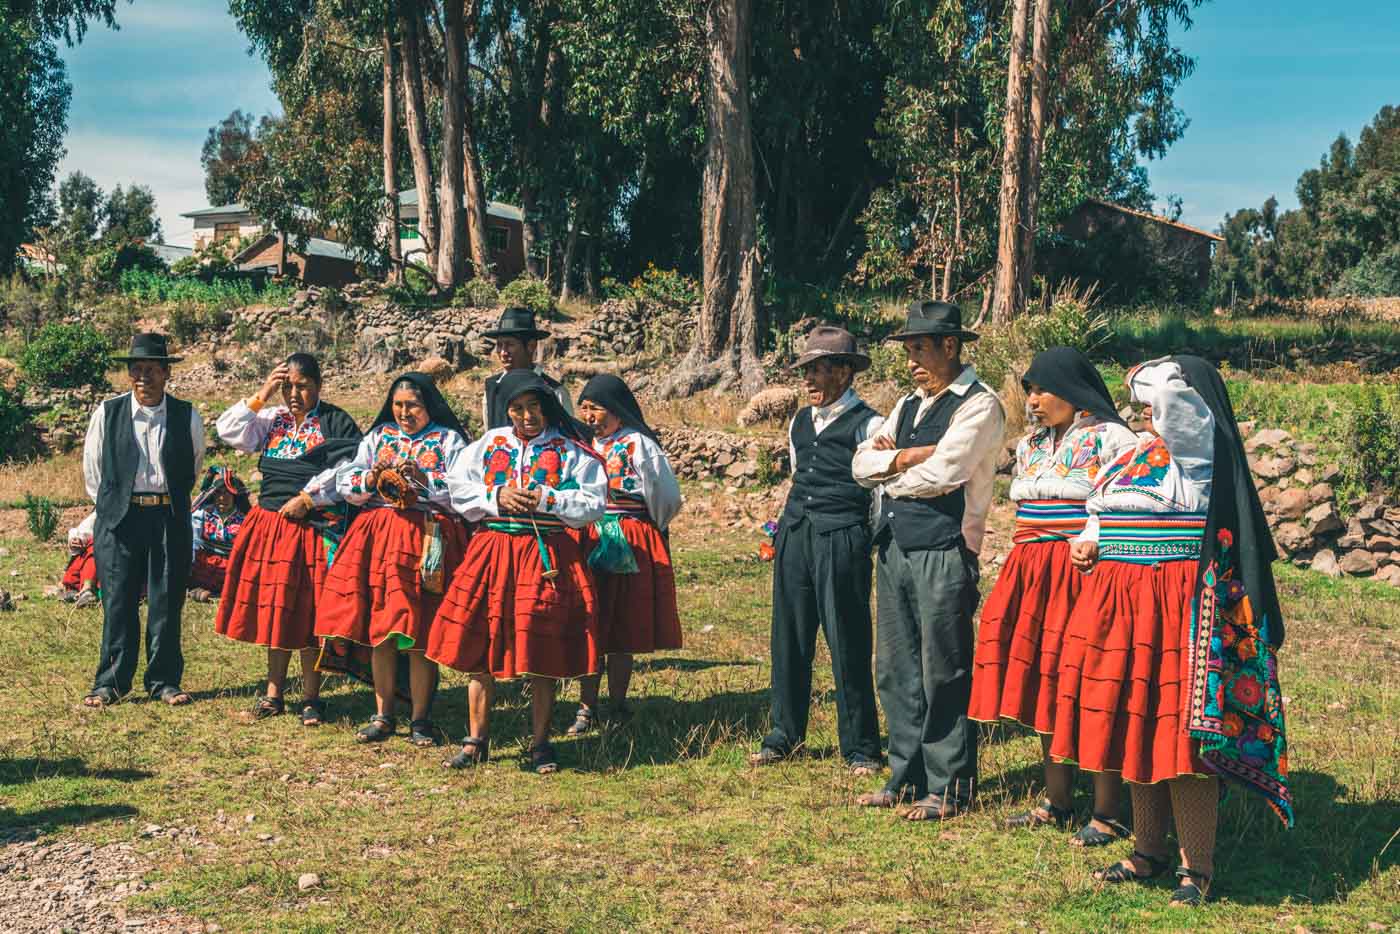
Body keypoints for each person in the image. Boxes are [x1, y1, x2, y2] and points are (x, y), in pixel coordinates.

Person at [1054, 357, 1293, 907]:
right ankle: (1148, 849)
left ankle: (1197, 864)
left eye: (1152, 400)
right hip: (1120, 602)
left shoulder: (1196, 455)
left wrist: (1167, 376)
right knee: (1136, 724)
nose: (1143, 408)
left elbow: (1178, 409)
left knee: (1180, 735)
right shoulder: (1135, 453)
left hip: (1172, 604)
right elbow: (1101, 509)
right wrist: (1092, 538)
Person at [967, 347, 1138, 845]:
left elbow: (1120, 503)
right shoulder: (1031, 444)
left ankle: (1108, 809)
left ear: (1074, 389)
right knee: (1046, 675)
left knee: (1088, 681)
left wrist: (1093, 539)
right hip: (1031, 569)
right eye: (1030, 392)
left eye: (1043, 390)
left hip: (1082, 570)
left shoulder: (1113, 439)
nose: (1034, 401)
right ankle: (1057, 799)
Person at [850, 301, 1005, 820]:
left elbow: (947, 473)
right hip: (896, 546)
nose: (912, 359)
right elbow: (859, 462)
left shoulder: (979, 406)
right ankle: (905, 773)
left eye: (920, 348)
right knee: (896, 668)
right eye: (908, 348)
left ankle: (949, 784)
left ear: (950, 347)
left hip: (943, 548)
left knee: (944, 667)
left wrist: (887, 477)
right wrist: (899, 458)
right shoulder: (908, 405)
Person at [428, 370, 606, 775]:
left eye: (534, 408)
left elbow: (593, 502)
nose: (526, 416)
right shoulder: (490, 445)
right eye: (518, 409)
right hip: (493, 550)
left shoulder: (569, 451)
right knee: (483, 644)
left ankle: (541, 743)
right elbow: (458, 486)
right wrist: (496, 495)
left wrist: (548, 497)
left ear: (547, 409)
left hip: (546, 558)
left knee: (540, 648)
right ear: (506, 410)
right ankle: (476, 740)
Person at [749, 326, 882, 776]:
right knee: (788, 635)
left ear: (844, 373)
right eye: (805, 371)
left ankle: (861, 746)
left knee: (847, 638)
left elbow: (878, 491)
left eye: (818, 370)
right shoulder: (799, 421)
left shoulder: (870, 423)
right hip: (796, 533)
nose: (807, 381)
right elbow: (796, 472)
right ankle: (784, 734)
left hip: (842, 535)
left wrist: (862, 538)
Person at [315, 373, 471, 746]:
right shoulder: (379, 437)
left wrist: (423, 479)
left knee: (418, 631)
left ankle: (420, 718)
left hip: (425, 540)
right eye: (398, 405)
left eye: (412, 405)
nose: (404, 412)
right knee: (381, 629)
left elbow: (463, 492)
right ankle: (383, 714)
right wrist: (371, 479)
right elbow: (346, 483)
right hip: (377, 540)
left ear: (428, 405)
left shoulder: (448, 440)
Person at [214, 354, 363, 725]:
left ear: (318, 385)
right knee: (276, 608)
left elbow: (349, 468)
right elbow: (229, 431)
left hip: (313, 528)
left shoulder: (334, 420)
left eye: (302, 386)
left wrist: (309, 498)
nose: (293, 394)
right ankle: (273, 693)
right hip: (269, 528)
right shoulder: (271, 420)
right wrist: (264, 392)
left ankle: (312, 697)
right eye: (287, 386)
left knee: (310, 612)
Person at [81, 332, 205, 708]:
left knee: (166, 600)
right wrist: (116, 506)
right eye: (136, 369)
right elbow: (94, 472)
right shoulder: (108, 412)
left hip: (168, 516)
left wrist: (162, 499)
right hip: (120, 519)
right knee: (118, 601)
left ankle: (164, 681)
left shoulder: (187, 415)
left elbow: (192, 467)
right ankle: (111, 684)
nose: (143, 377)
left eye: (151, 369)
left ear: (167, 373)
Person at [566, 373, 683, 734]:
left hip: (629, 538)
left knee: (620, 624)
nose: (589, 416)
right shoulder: (577, 446)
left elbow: (665, 497)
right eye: (583, 408)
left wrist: (645, 527)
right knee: (588, 622)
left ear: (616, 410)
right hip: (585, 537)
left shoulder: (637, 445)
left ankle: (616, 703)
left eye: (596, 408)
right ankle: (586, 707)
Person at [481, 306, 574, 430]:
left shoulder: (554, 392)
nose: (503, 352)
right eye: (499, 345)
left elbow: (568, 439)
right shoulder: (492, 389)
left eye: (510, 345)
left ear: (531, 346)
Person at [187, 467, 250, 602]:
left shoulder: (245, 519)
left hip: (231, 564)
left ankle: (209, 593)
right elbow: (194, 543)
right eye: (219, 493)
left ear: (235, 496)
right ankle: (199, 590)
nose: (222, 498)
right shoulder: (203, 514)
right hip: (205, 563)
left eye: (228, 493)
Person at [62, 511, 100, 608]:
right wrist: (76, 539)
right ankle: (75, 590)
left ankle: (88, 590)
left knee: (95, 547)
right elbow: (83, 531)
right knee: (88, 551)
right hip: (94, 553)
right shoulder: (100, 512)